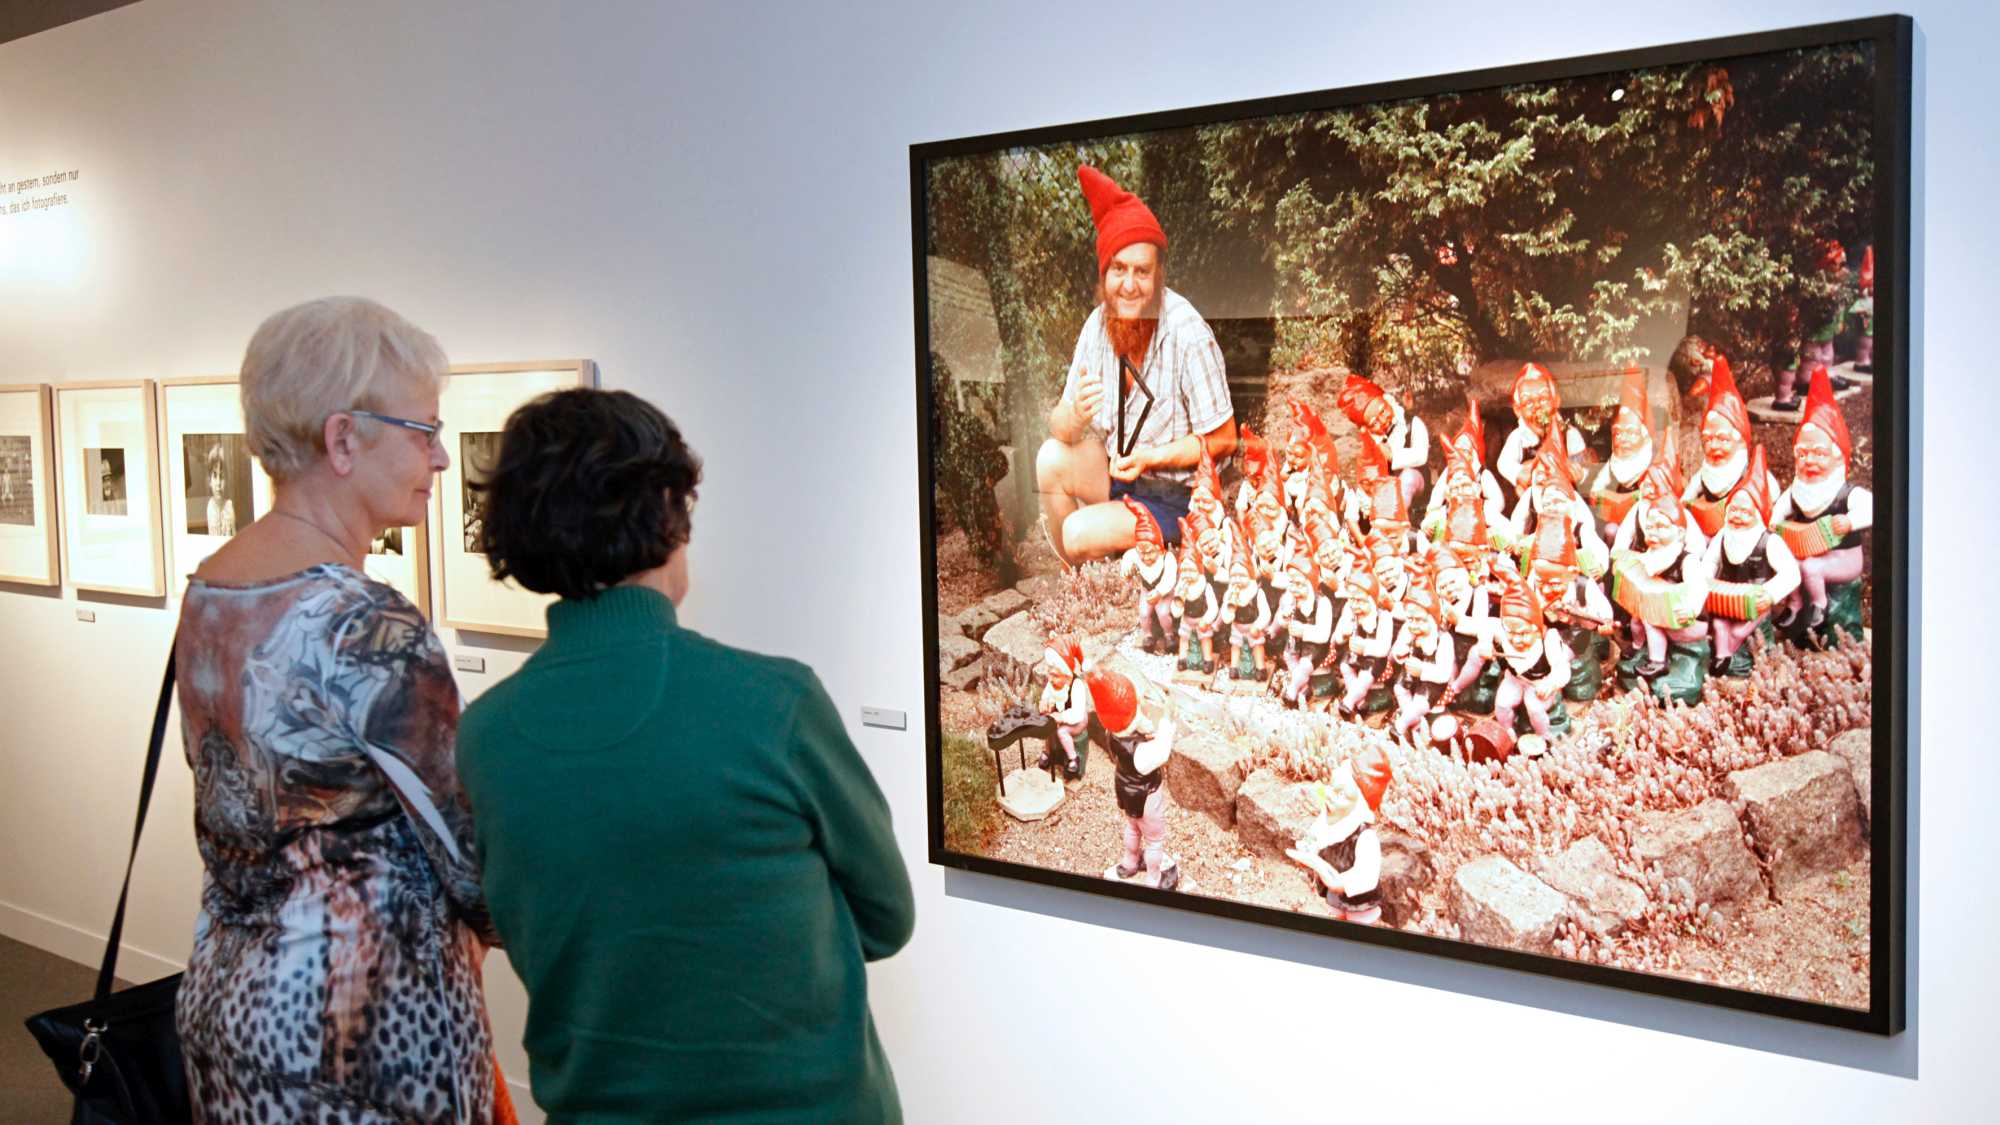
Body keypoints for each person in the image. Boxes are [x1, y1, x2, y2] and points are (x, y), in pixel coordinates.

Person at [454, 387, 915, 1123]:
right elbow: (887, 916)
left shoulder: (485, 738)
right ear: (670, 508)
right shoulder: (775, 703)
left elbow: (536, 926)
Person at [173, 297, 504, 1121]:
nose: (438, 458)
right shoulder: (367, 621)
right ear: (343, 437)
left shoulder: (213, 585)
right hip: (360, 1037)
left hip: (230, 1002)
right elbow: (475, 866)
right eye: (423, 429)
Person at [1037, 164, 1236, 564]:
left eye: (1141, 271)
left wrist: (1153, 456)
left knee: (1077, 531)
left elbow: (1224, 441)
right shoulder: (1096, 326)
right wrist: (1074, 416)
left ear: (1158, 274)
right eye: (1119, 269)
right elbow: (1059, 423)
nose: (1129, 285)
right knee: (1051, 457)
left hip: (1179, 497)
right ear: (1104, 273)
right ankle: (1081, 580)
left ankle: (1151, 553)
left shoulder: (1187, 332)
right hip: (1120, 478)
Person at [204, 441, 237, 536]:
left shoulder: (229, 506)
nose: (218, 483)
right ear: (209, 480)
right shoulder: (211, 507)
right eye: (215, 476)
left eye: (221, 477)